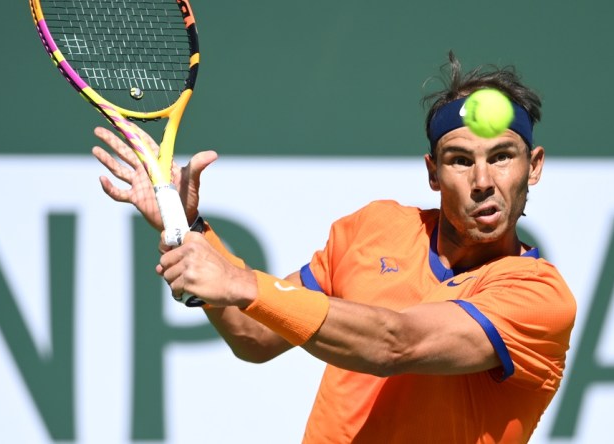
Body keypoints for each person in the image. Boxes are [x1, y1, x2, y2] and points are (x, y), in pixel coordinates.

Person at [92, 52, 576, 444]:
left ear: (532, 166)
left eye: (501, 157)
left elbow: (397, 341)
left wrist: (238, 280)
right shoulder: (374, 228)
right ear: (432, 172)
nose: (483, 181)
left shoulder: (538, 298)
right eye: (459, 160)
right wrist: (191, 226)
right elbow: (254, 337)